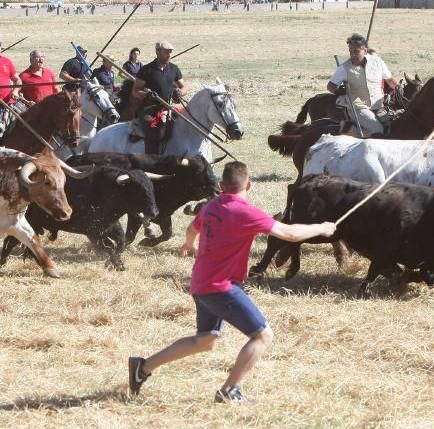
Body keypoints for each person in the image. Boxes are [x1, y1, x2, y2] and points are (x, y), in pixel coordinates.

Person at [129, 161, 336, 403]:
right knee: (262, 336)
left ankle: (142, 367)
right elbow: (290, 234)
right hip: (221, 288)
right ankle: (229, 391)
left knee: (204, 340)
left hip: (200, 284)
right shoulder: (247, 212)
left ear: (221, 186)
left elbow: (191, 228)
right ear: (248, 185)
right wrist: (321, 227)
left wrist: (189, 244)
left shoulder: (211, 206)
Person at [327, 33, 398, 137]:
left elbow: (390, 80)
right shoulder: (344, 68)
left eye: (356, 51)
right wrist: (338, 91)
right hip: (358, 108)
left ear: (365, 51)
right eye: (350, 51)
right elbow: (330, 86)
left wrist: (400, 89)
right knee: (378, 129)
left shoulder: (378, 62)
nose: (353, 54)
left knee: (394, 125)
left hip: (379, 106)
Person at [131, 40, 187, 154]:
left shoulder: (174, 69)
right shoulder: (146, 70)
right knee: (154, 129)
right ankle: (153, 159)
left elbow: (184, 87)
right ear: (157, 52)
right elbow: (135, 91)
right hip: (149, 108)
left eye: (170, 52)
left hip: (168, 107)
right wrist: (147, 94)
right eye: (166, 52)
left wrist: (180, 92)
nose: (169, 55)